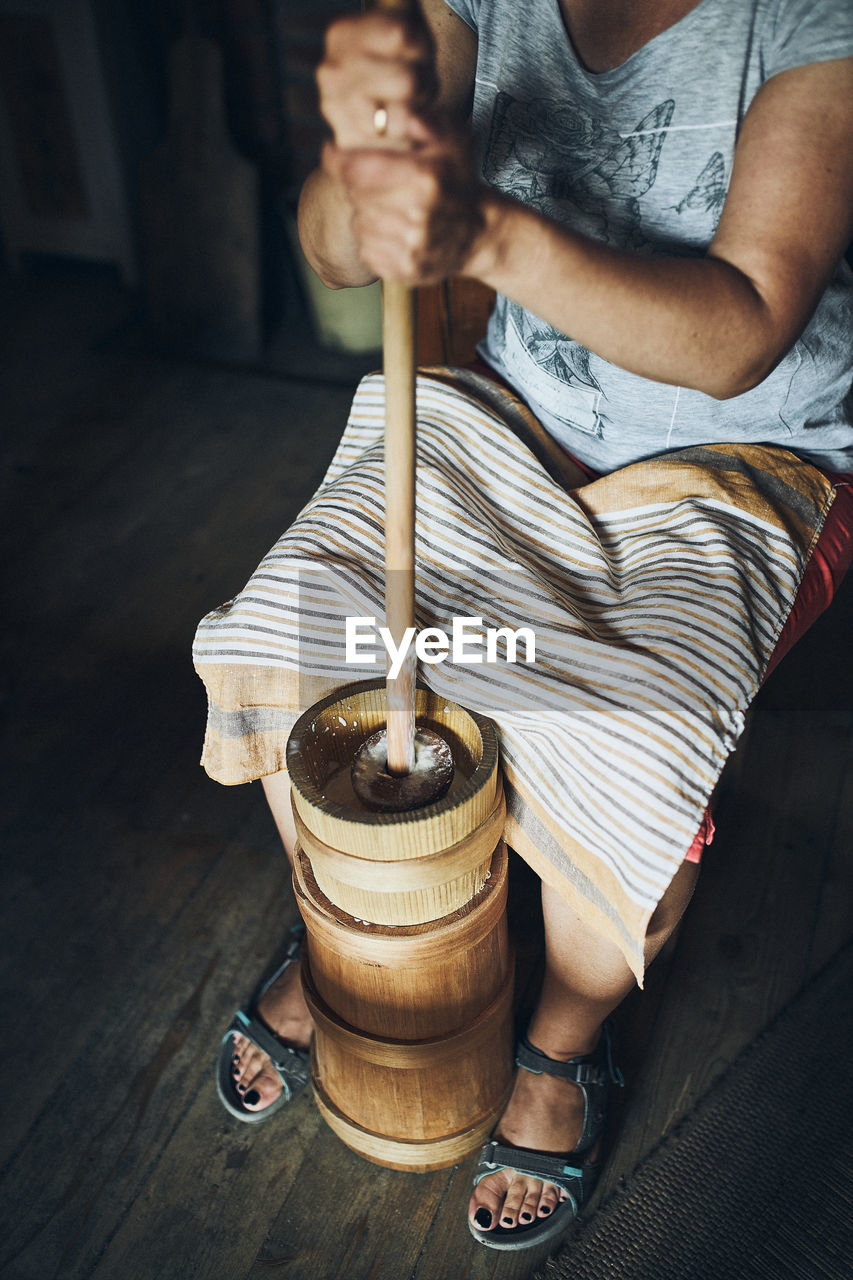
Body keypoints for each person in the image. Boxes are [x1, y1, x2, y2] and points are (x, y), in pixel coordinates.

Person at [196, 0, 853, 1252]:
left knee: (626, 746)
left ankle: (561, 1037)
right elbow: (339, 254)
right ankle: (365, 929)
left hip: (739, 453)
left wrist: (486, 231)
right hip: (524, 414)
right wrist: (361, 151)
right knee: (297, 632)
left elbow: (742, 329)